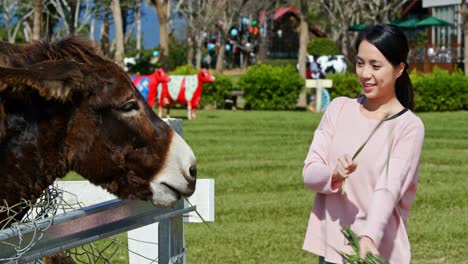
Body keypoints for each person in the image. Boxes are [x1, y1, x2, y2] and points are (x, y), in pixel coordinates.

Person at [302, 24, 425, 264]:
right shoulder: (338, 109)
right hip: (332, 250)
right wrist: (334, 174)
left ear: (399, 69)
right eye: (360, 63)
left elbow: (389, 188)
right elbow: (309, 174)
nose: (365, 74)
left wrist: (369, 236)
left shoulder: (408, 126)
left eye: (375, 66)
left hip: (377, 252)